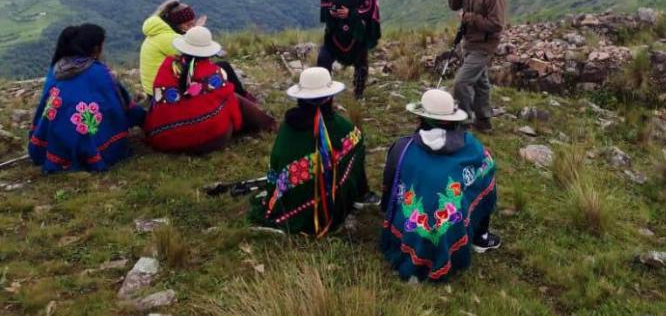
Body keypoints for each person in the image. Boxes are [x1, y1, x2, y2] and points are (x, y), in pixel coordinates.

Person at [380, 89, 499, 282]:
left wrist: (386, 208)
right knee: (487, 170)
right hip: (450, 229)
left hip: (410, 231)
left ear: (421, 119)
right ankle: (481, 236)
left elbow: (390, 186)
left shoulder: (402, 148)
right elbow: (487, 170)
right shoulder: (473, 147)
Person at [248, 67, 378, 236]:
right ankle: (360, 194)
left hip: (287, 204)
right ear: (330, 97)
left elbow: (277, 163)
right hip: (330, 213)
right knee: (357, 142)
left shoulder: (288, 127)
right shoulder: (347, 131)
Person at [28, 24, 146, 173]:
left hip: (53, 145)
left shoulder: (57, 68)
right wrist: (143, 118)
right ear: (96, 48)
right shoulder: (99, 72)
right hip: (89, 145)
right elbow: (118, 104)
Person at [143, 27, 277, 153]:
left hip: (166, 140)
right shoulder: (214, 74)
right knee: (233, 98)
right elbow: (229, 101)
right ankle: (269, 125)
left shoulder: (167, 67)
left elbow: (158, 101)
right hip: (210, 141)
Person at [448, 0, 507, 131]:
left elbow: (497, 24)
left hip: (484, 44)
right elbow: (453, 5)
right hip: (470, 40)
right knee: (481, 83)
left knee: (461, 82)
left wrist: (469, 18)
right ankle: (483, 121)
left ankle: (463, 123)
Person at [317, 0, 381, 99]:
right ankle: (323, 93)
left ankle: (358, 95)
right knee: (323, 59)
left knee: (361, 62)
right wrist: (331, 12)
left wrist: (351, 13)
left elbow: (369, 7)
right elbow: (325, 0)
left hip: (357, 31)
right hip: (335, 31)